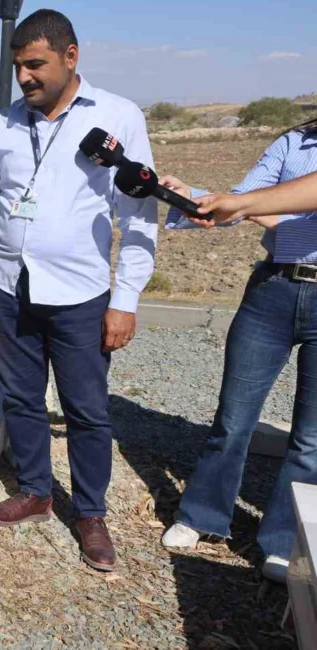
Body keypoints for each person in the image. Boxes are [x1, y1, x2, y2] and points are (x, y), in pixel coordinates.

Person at [0, 8, 157, 571]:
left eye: (35, 65)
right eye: (18, 66)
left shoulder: (118, 117)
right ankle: (34, 491)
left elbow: (141, 216)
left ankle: (92, 513)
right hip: (6, 285)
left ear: (70, 57)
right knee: (22, 398)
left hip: (79, 295)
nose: (24, 77)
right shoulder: (3, 123)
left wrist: (124, 300)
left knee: (86, 408)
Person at [157, 117, 317, 583]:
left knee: (311, 438)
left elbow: (257, 204)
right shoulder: (295, 142)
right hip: (273, 288)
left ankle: (286, 540)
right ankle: (201, 514)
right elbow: (248, 200)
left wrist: (244, 205)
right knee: (233, 418)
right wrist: (196, 196)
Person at [195, 168, 317, 224]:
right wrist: (184, 198)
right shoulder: (293, 141)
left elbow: (240, 203)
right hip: (276, 272)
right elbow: (239, 197)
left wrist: (278, 222)